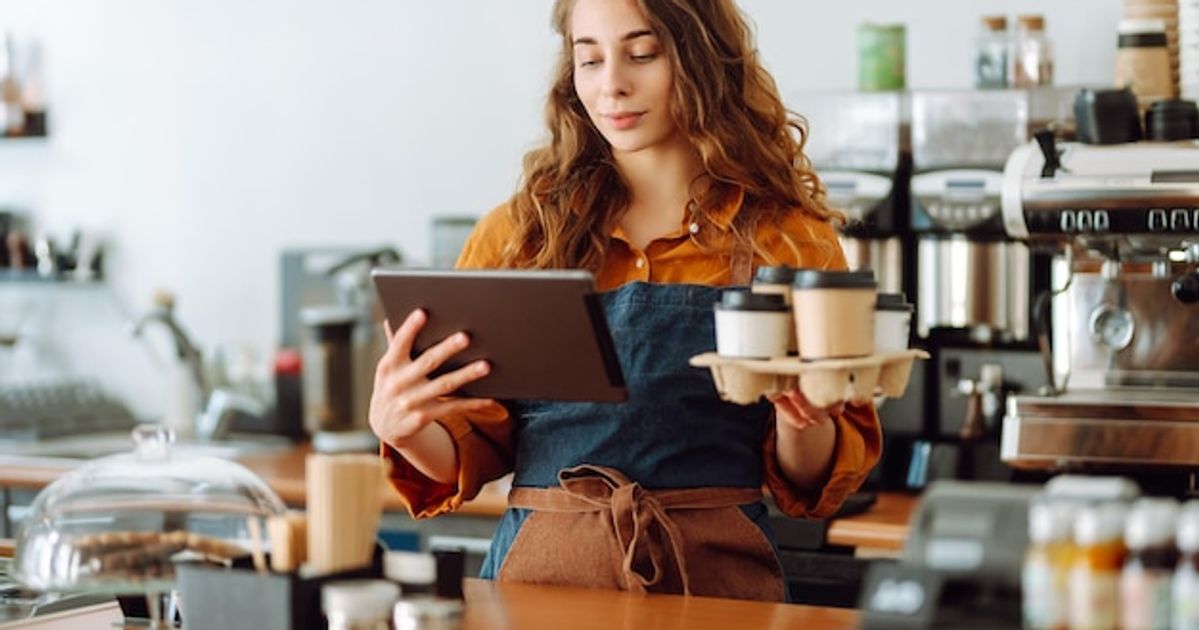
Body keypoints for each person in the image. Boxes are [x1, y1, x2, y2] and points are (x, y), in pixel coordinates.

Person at [369, 0, 880, 602]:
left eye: (643, 53)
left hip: (717, 593)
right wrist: (403, 429)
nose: (612, 84)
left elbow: (813, 484)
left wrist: (807, 422)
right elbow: (475, 448)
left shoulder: (789, 242)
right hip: (538, 590)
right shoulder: (520, 236)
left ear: (702, 59)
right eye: (590, 59)